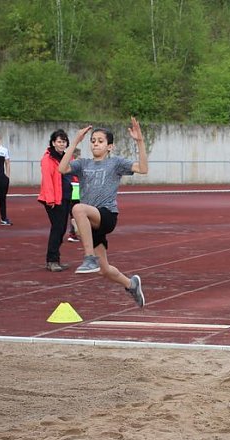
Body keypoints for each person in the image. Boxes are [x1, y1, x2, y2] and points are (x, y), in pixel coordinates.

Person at [58, 118, 148, 307]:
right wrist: (74, 142)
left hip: (106, 215)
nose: (95, 144)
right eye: (93, 141)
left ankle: (89, 257)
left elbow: (143, 169)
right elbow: (62, 168)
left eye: (100, 141)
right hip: (90, 224)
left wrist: (139, 141)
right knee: (104, 270)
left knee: (77, 208)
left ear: (110, 146)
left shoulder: (115, 163)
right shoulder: (82, 164)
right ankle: (131, 284)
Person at [37, 130, 73, 271]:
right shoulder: (48, 159)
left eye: (64, 142)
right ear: (53, 143)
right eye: (59, 141)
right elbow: (47, 180)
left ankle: (55, 259)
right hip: (53, 200)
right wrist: (51, 200)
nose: (62, 144)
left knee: (62, 228)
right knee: (57, 228)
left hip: (65, 197)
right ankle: (52, 260)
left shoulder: (66, 157)